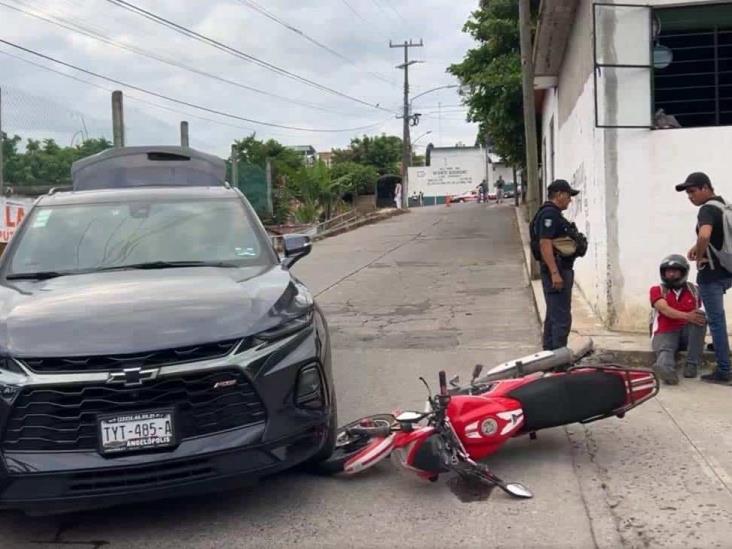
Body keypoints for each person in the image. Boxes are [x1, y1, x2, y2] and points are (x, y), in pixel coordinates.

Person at [676, 172, 732, 383]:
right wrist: (696, 248)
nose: (690, 197)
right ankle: (720, 347)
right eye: (688, 193)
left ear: (706, 188)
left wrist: (699, 258)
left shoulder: (706, 209)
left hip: (712, 275)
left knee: (716, 322)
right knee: (718, 316)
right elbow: (717, 236)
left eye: (692, 191)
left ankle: (725, 370)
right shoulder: (724, 205)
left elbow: (705, 235)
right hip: (728, 270)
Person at [531, 179, 583, 350]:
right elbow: (544, 243)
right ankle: (558, 361)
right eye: (569, 196)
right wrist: (555, 272)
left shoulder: (550, 213)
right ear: (560, 194)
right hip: (557, 270)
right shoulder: (549, 215)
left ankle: (550, 357)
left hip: (558, 269)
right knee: (561, 318)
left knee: (554, 315)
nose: (570, 200)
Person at [650, 255, 706, 385]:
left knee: (700, 319)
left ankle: (692, 365)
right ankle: (666, 370)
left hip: (687, 334)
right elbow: (664, 309)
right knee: (666, 347)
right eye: (667, 271)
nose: (670, 274)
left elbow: (704, 310)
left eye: (674, 271)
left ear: (683, 272)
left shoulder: (695, 291)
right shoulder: (657, 289)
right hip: (664, 331)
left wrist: (696, 317)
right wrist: (687, 316)